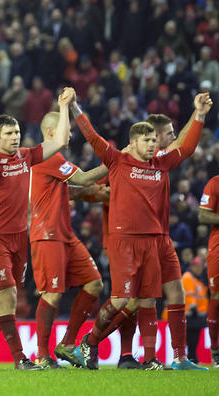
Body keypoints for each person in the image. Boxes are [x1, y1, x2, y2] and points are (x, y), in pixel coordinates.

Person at [70, 89, 211, 370]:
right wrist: (74, 107)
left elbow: (187, 148)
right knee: (123, 298)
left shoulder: (161, 163)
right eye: (146, 141)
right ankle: (89, 342)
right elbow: (93, 137)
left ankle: (157, 359)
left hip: (155, 239)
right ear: (133, 142)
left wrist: (200, 115)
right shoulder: (117, 161)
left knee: (151, 297)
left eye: (153, 140)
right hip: (125, 240)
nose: (152, 145)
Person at [0, 89, 73, 371]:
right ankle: (20, 360)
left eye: (17, 132)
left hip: (19, 235)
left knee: (2, 298)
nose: (15, 137)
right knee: (10, 295)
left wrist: (63, 107)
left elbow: (61, 140)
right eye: (9, 133)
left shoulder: (26, 156)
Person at [29, 110, 107, 369]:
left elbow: (67, 189)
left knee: (94, 284)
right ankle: (42, 355)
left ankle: (67, 343)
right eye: (67, 130)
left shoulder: (50, 161)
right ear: (52, 132)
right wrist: (115, 162)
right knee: (52, 294)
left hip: (65, 234)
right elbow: (82, 177)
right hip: (48, 234)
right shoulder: (48, 156)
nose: (70, 135)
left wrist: (90, 192)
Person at [199, 174, 219, 368]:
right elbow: (203, 215)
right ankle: (215, 353)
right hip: (218, 247)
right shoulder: (214, 183)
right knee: (216, 296)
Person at [179, 258, 209, 363]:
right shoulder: (188, 277)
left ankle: (193, 357)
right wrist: (193, 308)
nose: (199, 269)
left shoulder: (196, 278)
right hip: (191, 313)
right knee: (191, 338)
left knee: (194, 337)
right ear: (192, 267)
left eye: (201, 267)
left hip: (197, 314)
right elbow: (189, 295)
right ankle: (192, 357)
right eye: (197, 267)